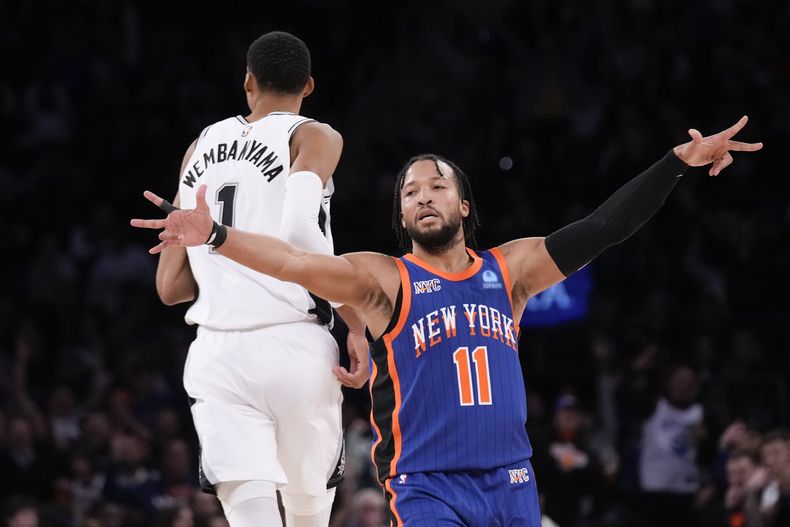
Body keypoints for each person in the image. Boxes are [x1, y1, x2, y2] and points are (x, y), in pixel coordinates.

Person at [133, 117, 762, 525]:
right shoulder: (383, 280)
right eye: (410, 192)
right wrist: (215, 234)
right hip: (426, 485)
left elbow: (603, 228)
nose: (424, 195)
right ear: (402, 217)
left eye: (436, 186)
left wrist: (677, 160)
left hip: (512, 479)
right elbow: (296, 262)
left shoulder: (510, 270)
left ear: (463, 203)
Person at [148, 30, 369, 527]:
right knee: (309, 513)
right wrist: (354, 322)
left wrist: (221, 265)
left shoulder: (199, 146)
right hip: (294, 346)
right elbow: (299, 232)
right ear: (308, 87)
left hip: (218, 353)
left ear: (248, 82)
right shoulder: (314, 135)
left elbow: (170, 289)